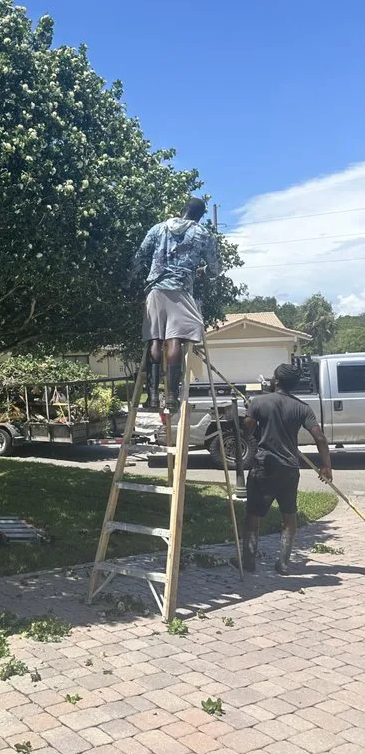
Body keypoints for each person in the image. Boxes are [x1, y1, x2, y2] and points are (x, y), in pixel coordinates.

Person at [129, 197, 220, 410]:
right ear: (200, 216)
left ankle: (152, 397)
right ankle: (171, 396)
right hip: (181, 289)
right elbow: (215, 269)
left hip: (155, 289)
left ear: (182, 210)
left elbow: (139, 256)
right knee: (174, 339)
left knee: (154, 338)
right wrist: (201, 271)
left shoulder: (158, 229)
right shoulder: (203, 234)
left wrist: (128, 280)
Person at [241, 363, 333, 574]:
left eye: (273, 377)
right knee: (289, 515)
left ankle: (248, 562)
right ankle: (283, 563)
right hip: (289, 468)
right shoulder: (302, 408)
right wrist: (326, 466)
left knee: (253, 514)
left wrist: (251, 415)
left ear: (277, 381)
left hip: (264, 466)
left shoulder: (259, 402)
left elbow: (247, 431)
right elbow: (319, 437)